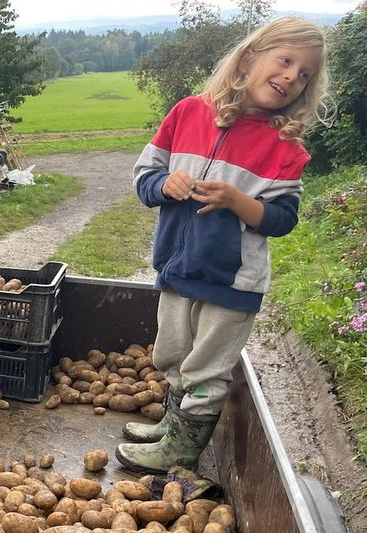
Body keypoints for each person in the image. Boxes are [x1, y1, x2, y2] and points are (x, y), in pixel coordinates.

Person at [116, 17, 329, 474]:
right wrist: (164, 185)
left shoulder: (285, 148)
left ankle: (181, 451)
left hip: (232, 282)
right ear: (249, 57)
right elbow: (144, 177)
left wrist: (238, 201)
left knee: (206, 369)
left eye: (305, 74)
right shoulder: (188, 113)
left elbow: (282, 219)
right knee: (172, 355)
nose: (292, 76)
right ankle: (173, 429)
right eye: (285, 61)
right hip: (177, 267)